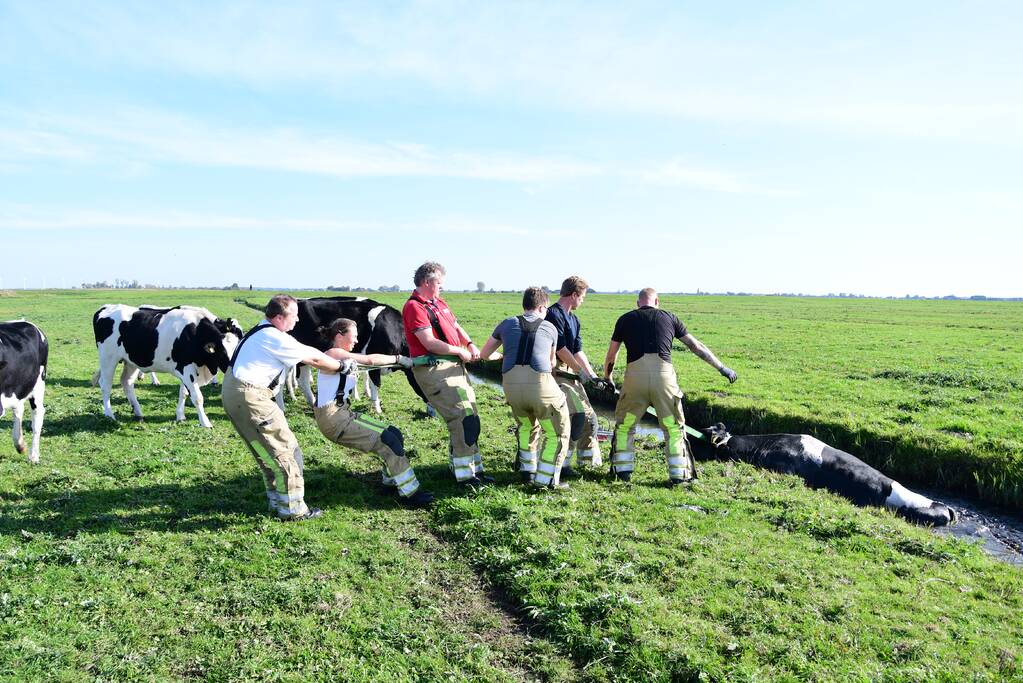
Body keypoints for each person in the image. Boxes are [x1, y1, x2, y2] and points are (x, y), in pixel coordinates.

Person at [222, 295, 348, 521]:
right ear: (279, 317)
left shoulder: (260, 331)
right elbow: (314, 359)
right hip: (252, 396)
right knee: (285, 449)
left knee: (263, 450)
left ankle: (276, 500)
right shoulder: (274, 337)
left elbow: (306, 350)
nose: (298, 320)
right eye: (294, 315)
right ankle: (293, 510)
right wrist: (341, 366)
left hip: (234, 394)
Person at [602, 288, 737, 486]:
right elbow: (696, 346)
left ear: (638, 303)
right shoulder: (670, 317)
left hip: (634, 381)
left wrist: (608, 378)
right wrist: (722, 368)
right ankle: (679, 476)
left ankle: (621, 473)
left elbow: (611, 355)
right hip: (664, 382)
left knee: (625, 426)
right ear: (657, 301)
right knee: (673, 428)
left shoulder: (625, 319)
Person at [312, 318, 434, 508]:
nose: (357, 340)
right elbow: (370, 359)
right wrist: (399, 359)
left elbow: (370, 362)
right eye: (354, 336)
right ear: (339, 335)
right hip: (333, 419)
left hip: (343, 413)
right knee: (388, 441)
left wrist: (409, 361)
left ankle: (390, 482)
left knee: (394, 434)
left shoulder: (343, 355)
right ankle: (411, 493)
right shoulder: (334, 353)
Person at [402, 261, 491, 488]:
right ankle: (465, 477)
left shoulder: (439, 303)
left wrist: (469, 343)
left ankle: (474, 469)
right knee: (462, 418)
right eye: (439, 283)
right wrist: (459, 351)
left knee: (471, 417)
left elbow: (456, 326)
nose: (442, 287)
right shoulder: (414, 307)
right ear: (426, 282)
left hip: (453, 367)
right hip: (435, 369)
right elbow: (429, 342)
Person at [479, 287, 570, 488]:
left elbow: (484, 354)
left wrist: (501, 357)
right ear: (541, 307)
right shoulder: (550, 327)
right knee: (556, 431)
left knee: (526, 426)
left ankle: (527, 472)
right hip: (540, 387)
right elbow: (552, 363)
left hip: (511, 389)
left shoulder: (506, 323)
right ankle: (546, 479)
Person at [546, 275, 603, 475]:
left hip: (571, 372)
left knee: (590, 418)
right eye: (583, 297)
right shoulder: (553, 314)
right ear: (574, 294)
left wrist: (592, 375)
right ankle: (563, 464)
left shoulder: (573, 319)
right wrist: (579, 372)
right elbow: (560, 348)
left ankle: (587, 465)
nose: (582, 301)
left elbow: (577, 350)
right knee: (576, 415)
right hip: (557, 372)